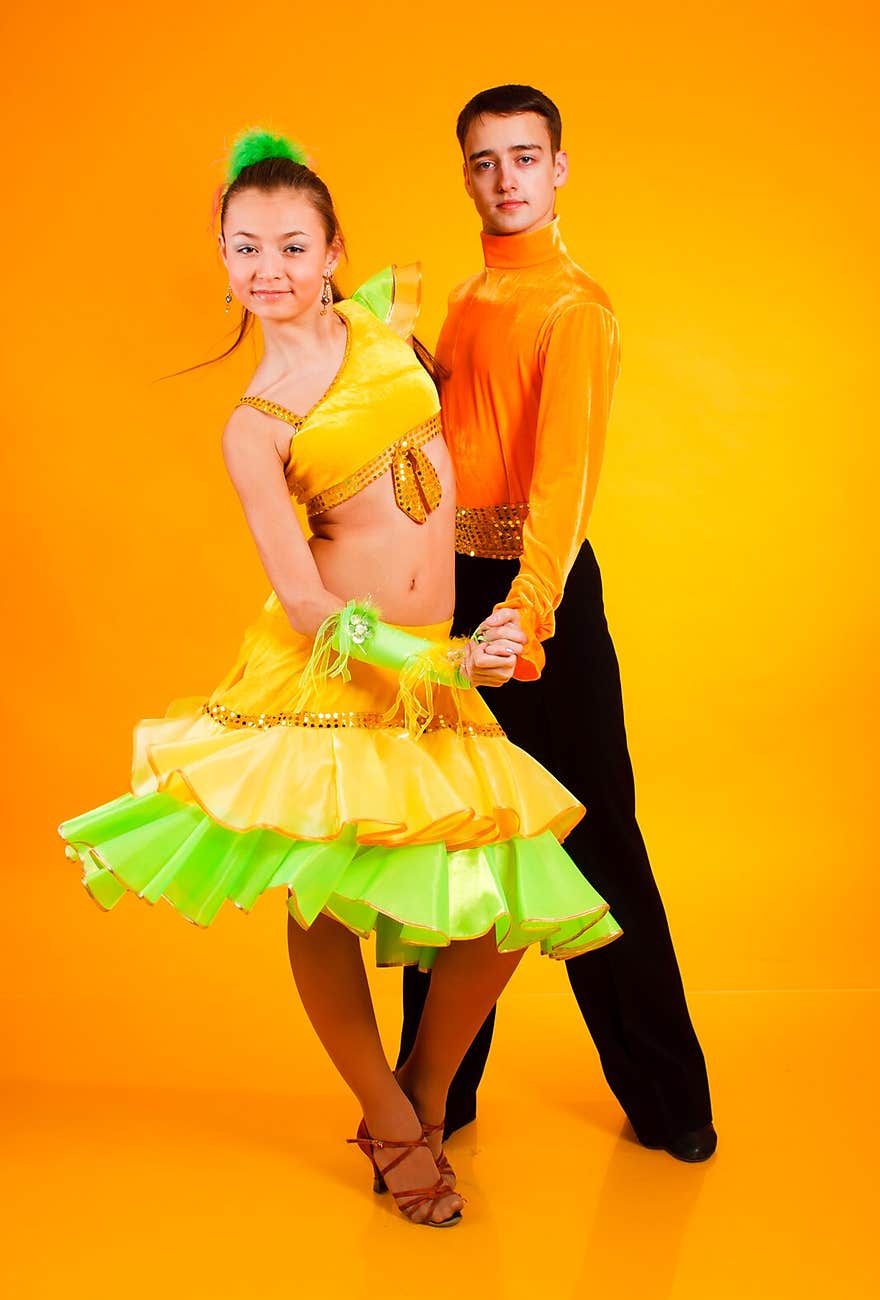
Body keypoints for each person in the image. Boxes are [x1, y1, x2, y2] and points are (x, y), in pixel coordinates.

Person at [59, 129, 623, 1229]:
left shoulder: (385, 325)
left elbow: (483, 415)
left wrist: (521, 584)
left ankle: (408, 1101)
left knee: (501, 905)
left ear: (331, 252)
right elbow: (311, 601)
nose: (265, 268)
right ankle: (390, 1113)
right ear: (221, 259)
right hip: (340, 667)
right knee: (322, 893)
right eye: (242, 247)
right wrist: (439, 655)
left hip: (438, 666)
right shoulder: (252, 425)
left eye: (288, 244)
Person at [398, 86, 717, 1163]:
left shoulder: (575, 307)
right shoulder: (466, 293)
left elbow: (562, 486)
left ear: (558, 168)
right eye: (484, 162)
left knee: (593, 845)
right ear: (466, 174)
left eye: (524, 158)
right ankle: (427, 1099)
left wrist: (521, 618)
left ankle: (673, 1104)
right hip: (449, 585)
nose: (504, 179)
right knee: (445, 840)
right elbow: (451, 443)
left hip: (535, 596)